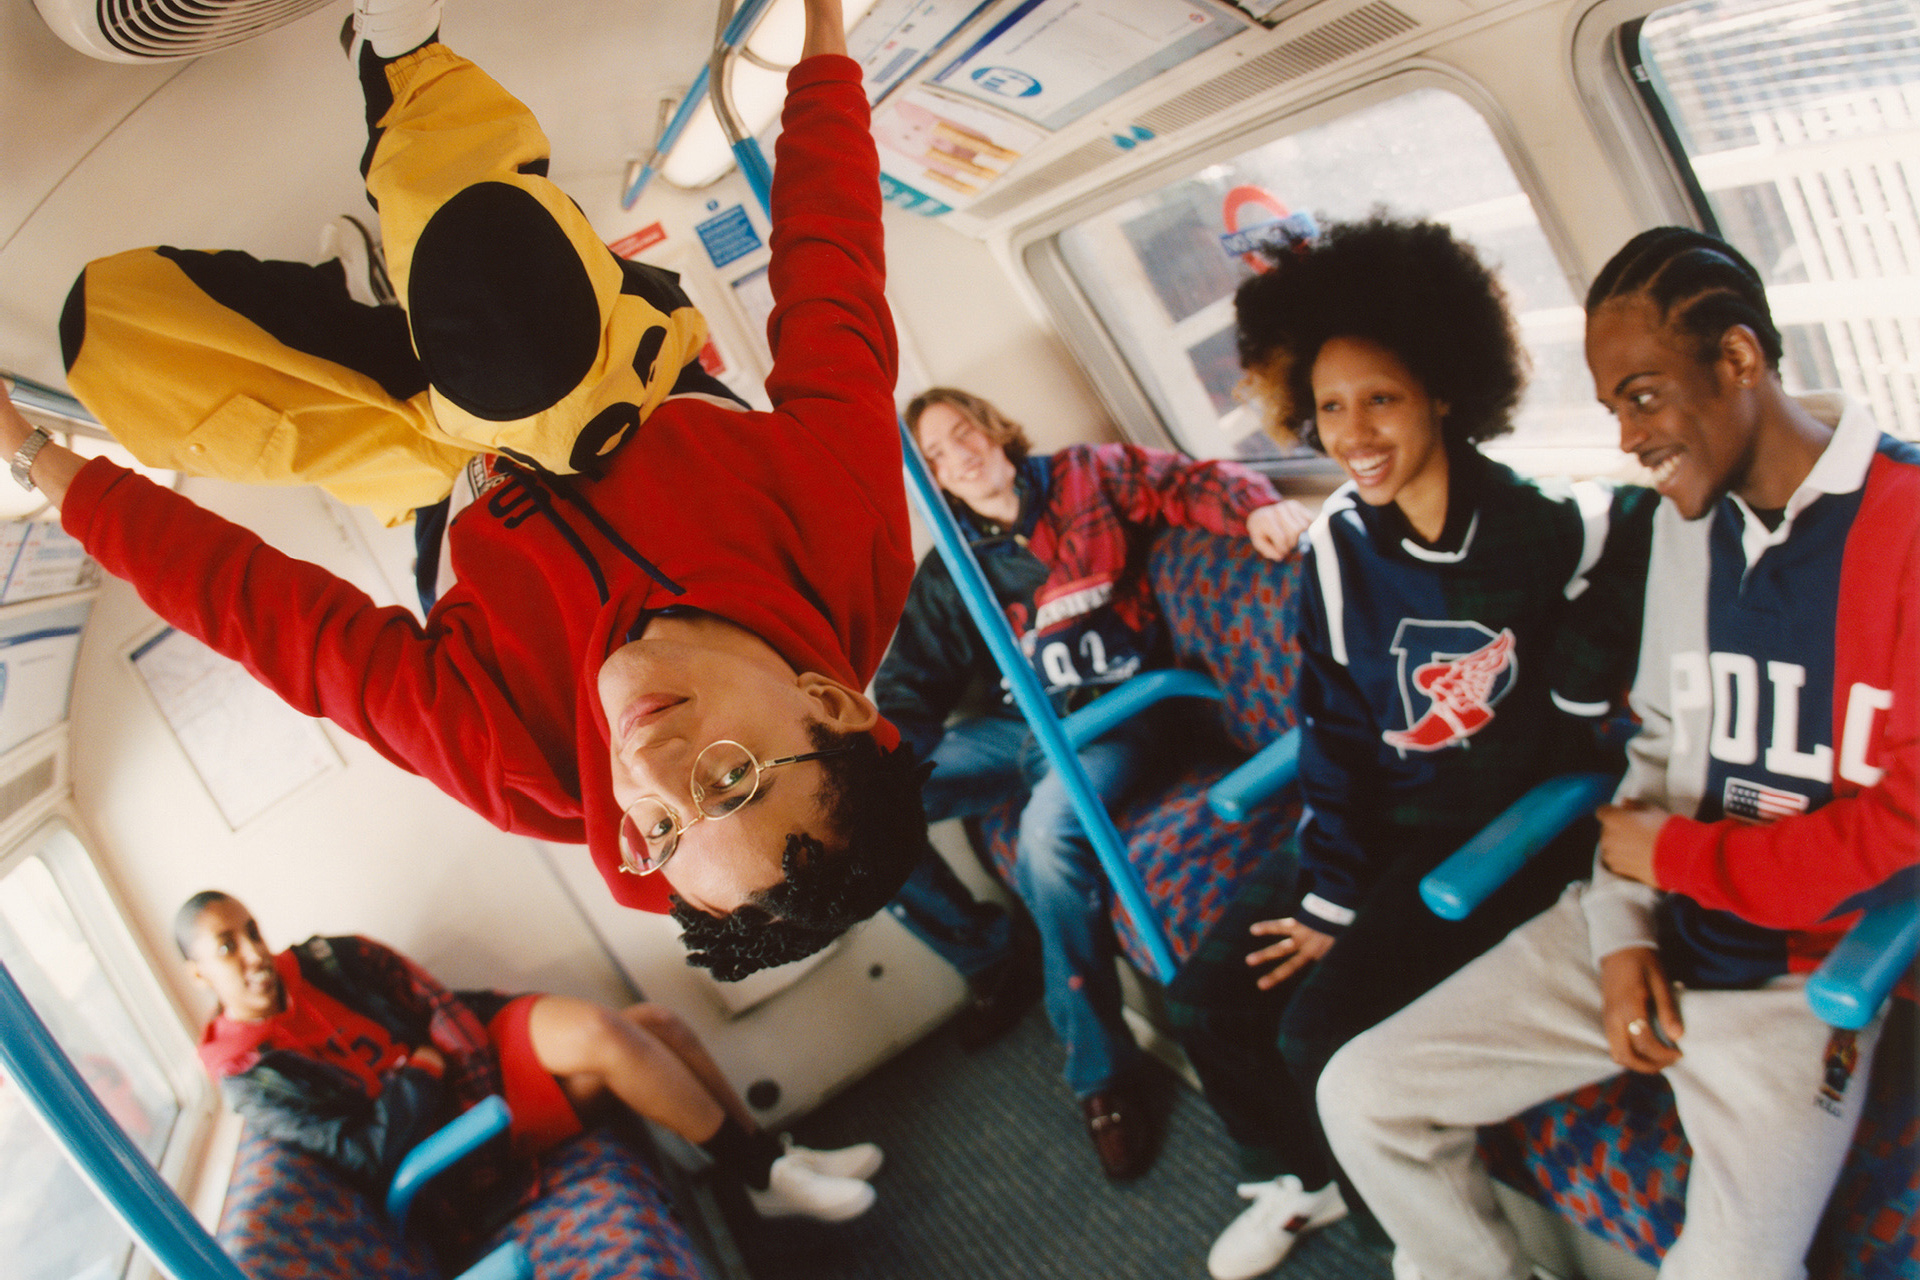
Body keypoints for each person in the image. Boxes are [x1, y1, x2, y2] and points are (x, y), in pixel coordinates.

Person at [3, 0, 927, 981]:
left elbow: (273, 620)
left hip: (441, 470)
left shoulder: (522, 766)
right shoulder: (846, 533)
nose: (647, 769)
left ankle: (372, 304)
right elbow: (834, 273)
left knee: (110, 343)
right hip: (593, 359)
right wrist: (822, 32)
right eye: (730, 776)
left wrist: (32, 456)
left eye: (657, 824)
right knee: (531, 374)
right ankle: (403, 57)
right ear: (827, 697)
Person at [1317, 227, 1919, 1280]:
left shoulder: (1908, 525)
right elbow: (1659, 751)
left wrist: (1675, 865)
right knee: (1360, 1093)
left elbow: (1900, 829)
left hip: (1802, 969)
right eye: (1613, 409)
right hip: (1657, 918)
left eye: (1644, 395)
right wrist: (1622, 928)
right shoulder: (1688, 523)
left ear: (1737, 359)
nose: (1631, 436)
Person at [1161, 216, 1656, 1280]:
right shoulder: (1339, 541)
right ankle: (1297, 1180)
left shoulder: (1539, 524)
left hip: (1493, 841)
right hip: (1372, 833)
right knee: (1205, 994)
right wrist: (1331, 896)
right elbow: (1334, 730)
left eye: (1379, 397)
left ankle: (1421, 1253)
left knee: (1318, 1032)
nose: (1353, 432)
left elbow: (1648, 527)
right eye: (1330, 407)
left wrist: (1578, 671)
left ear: (1442, 387)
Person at [872, 386, 1313, 1180]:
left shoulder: (1085, 480)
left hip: (1120, 718)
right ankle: (985, 955)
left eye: (964, 433)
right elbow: (910, 693)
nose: (961, 457)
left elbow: (1187, 480)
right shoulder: (953, 568)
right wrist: (880, 759)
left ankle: (1101, 1077)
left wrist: (1258, 508)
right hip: (1024, 732)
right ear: (930, 479)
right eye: (936, 456)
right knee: (868, 812)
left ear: (996, 428)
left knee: (1047, 834)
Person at [178, 890, 883, 1232]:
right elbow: (367, 1152)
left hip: (471, 1059)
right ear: (201, 975)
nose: (253, 956)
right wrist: (423, 1073)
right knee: (626, 1040)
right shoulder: (248, 1075)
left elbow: (435, 1001)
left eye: (251, 932)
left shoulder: (328, 959)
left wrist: (443, 1055)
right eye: (226, 948)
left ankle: (766, 1165)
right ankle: (765, 1172)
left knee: (655, 1024)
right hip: (450, 1134)